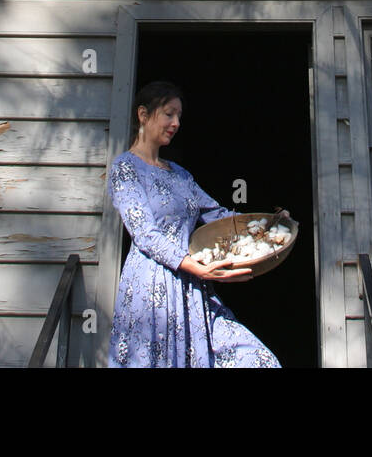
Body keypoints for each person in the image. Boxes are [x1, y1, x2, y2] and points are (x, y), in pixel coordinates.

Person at [107, 80, 282, 367]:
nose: (175, 123)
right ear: (143, 114)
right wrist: (195, 266)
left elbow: (219, 215)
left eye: (179, 116)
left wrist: (270, 224)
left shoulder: (180, 175)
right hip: (151, 289)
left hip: (192, 289)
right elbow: (145, 234)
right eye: (168, 113)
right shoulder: (124, 168)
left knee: (257, 359)